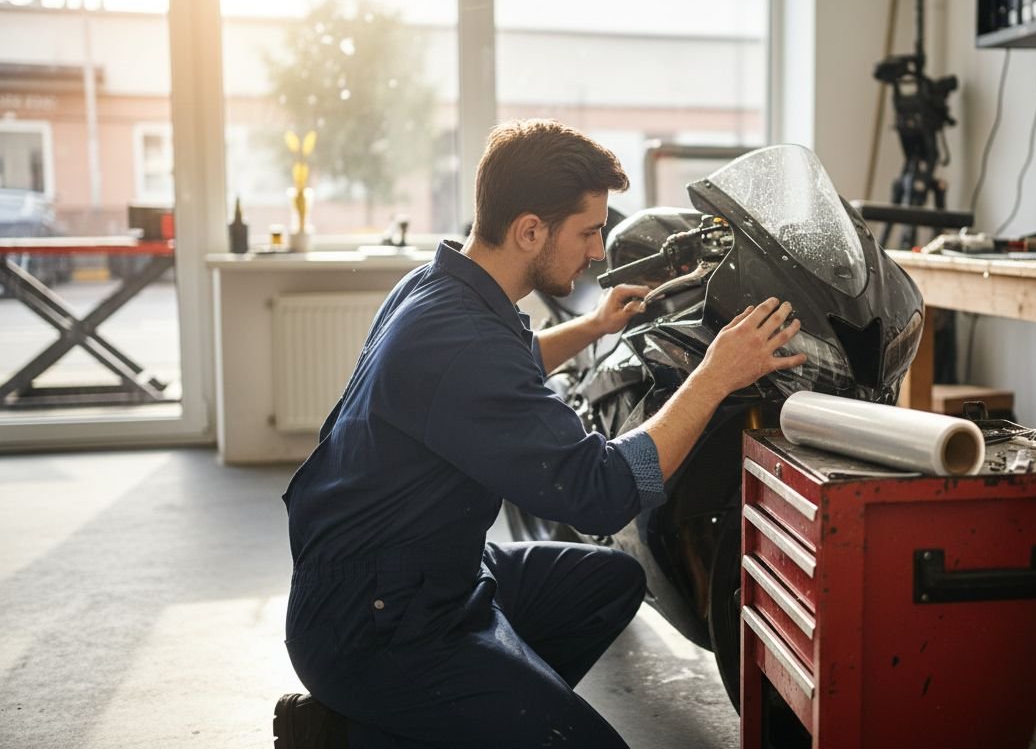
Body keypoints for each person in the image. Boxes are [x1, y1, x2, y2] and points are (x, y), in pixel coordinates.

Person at [274, 118, 806, 749]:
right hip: (374, 622)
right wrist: (715, 376)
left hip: (428, 569)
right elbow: (601, 492)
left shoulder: (440, 287)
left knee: (612, 582)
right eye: (587, 232)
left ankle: (480, 715)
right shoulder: (461, 341)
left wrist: (596, 326)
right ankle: (354, 731)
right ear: (530, 230)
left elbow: (509, 366)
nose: (599, 251)